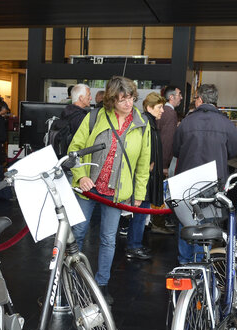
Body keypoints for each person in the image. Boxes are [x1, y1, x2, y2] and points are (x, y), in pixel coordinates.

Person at [68, 76, 151, 303]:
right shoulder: (94, 118)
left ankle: (102, 284)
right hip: (89, 188)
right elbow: (74, 149)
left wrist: (139, 195)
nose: (128, 103)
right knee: (77, 234)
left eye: (131, 98)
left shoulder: (142, 124)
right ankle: (71, 279)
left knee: (108, 239)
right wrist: (81, 175)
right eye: (122, 99)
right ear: (112, 99)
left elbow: (143, 165)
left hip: (116, 192)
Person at [173, 84, 237, 264]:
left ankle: (184, 264)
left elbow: (176, 149)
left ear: (200, 100)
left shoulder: (187, 121)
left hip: (186, 181)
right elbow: (233, 151)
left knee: (186, 222)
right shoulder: (226, 123)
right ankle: (202, 265)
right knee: (208, 224)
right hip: (213, 183)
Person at [125, 92, 168, 260]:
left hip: (147, 176)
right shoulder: (145, 123)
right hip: (144, 177)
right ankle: (134, 246)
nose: (162, 110)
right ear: (149, 107)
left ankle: (135, 244)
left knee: (142, 212)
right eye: (159, 107)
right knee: (140, 212)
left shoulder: (148, 122)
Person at [159, 85, 182, 176]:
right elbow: (167, 140)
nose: (181, 97)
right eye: (179, 95)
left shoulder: (164, 110)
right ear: (171, 97)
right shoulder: (170, 113)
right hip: (165, 163)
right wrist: (164, 165)